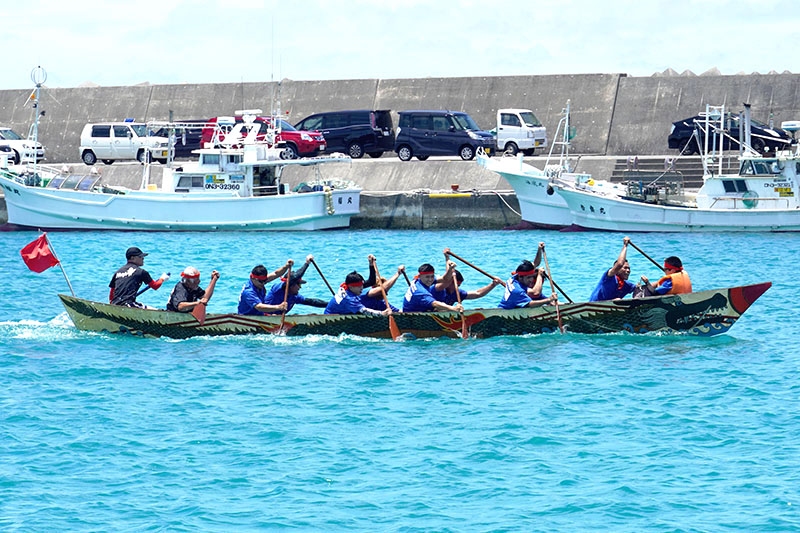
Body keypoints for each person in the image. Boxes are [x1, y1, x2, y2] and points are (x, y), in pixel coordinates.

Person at [262, 255, 327, 314]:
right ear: (291, 285)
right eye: (299, 285)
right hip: (263, 316)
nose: (300, 288)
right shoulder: (278, 288)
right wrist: (307, 263)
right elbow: (295, 277)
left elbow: (312, 302)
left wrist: (331, 304)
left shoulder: (295, 296)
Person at [589, 236, 636, 301]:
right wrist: (625, 246)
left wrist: (653, 283)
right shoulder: (609, 276)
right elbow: (619, 264)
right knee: (618, 300)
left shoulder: (626, 285)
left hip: (609, 308)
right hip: (593, 307)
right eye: (625, 268)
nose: (628, 270)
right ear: (617, 270)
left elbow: (641, 288)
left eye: (629, 268)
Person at [324, 271, 392, 315]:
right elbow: (364, 311)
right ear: (351, 287)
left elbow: (371, 281)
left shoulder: (347, 287)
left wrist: (371, 264)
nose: (362, 288)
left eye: (362, 285)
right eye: (359, 286)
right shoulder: (349, 299)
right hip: (332, 318)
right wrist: (382, 313)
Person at [431, 269, 503, 306]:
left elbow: (477, 294)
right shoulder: (438, 289)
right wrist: (447, 260)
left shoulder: (457, 293)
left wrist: (493, 285)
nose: (456, 287)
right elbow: (446, 277)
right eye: (455, 285)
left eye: (458, 286)